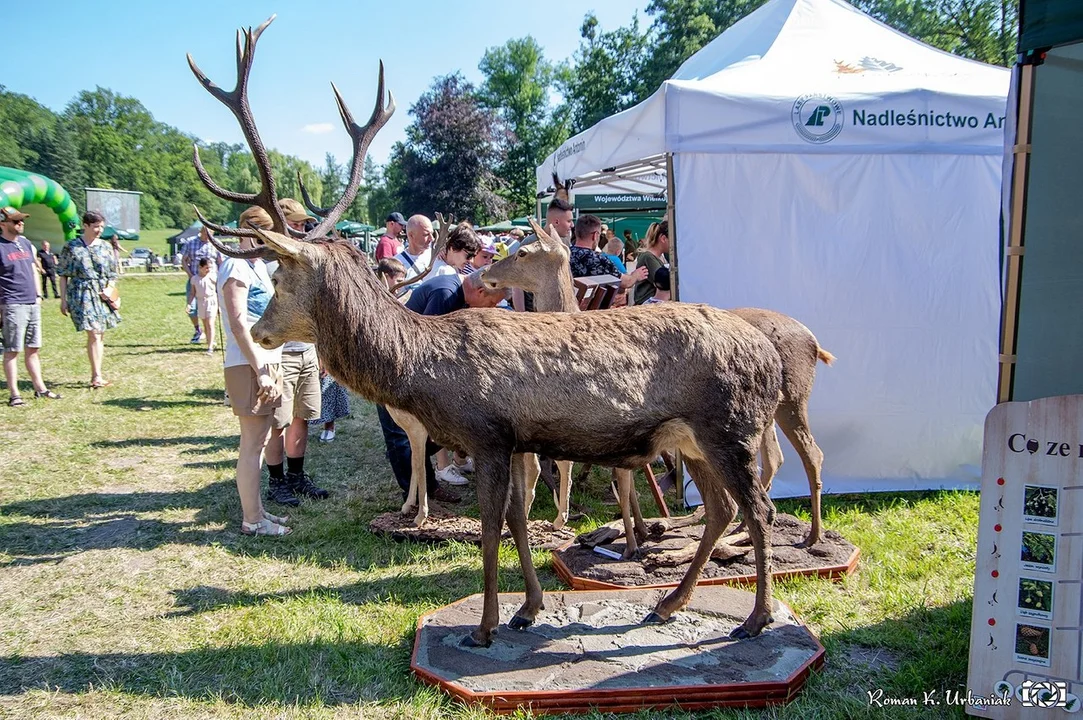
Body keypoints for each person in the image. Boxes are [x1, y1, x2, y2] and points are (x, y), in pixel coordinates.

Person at [376, 271, 506, 501]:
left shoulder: (458, 295)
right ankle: (416, 494)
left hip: (410, 369)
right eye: (492, 303)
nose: (492, 309)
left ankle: (424, 484)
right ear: (480, 291)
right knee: (400, 435)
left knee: (430, 434)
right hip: (391, 369)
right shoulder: (445, 294)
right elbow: (427, 348)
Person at [219, 205, 289, 536]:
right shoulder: (235, 265)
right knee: (252, 442)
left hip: (264, 363)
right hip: (249, 365)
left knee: (260, 440)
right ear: (248, 231)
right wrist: (260, 369)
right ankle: (252, 520)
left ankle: (258, 511)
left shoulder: (258, 265)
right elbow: (238, 322)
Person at [260, 198, 329, 507]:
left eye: (303, 224)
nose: (303, 229)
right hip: (280, 355)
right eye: (297, 224)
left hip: (306, 352)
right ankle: (276, 480)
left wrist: (321, 351)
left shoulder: (303, 266)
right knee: (278, 421)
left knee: (303, 416)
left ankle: (296, 476)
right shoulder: (265, 268)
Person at [0, 207, 61, 406]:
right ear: (3, 224)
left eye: (21, 220)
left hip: (31, 302)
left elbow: (34, 269)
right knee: (12, 350)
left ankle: (40, 389)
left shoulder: (26, 244)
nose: (21, 224)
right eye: (16, 221)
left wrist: (38, 295)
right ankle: (15, 394)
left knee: (33, 348)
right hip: (11, 303)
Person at [59, 210, 121, 389]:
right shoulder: (71, 247)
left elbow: (112, 274)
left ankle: (97, 373)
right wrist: (63, 300)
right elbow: (63, 274)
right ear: (85, 226)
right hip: (81, 294)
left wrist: (110, 289)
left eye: (101, 226)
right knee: (94, 332)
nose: (99, 230)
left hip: (102, 294)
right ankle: (96, 376)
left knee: (99, 333)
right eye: (95, 227)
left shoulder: (106, 247)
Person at [569, 214, 647, 306]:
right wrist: (636, 275)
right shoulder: (599, 260)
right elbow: (626, 282)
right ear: (595, 235)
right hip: (591, 314)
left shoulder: (565, 255)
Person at [183, 226, 222, 344]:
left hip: (211, 281)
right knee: (193, 309)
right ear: (201, 232)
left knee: (211, 309)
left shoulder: (216, 244)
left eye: (210, 233)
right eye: (206, 233)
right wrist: (190, 275)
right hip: (195, 279)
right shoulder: (191, 243)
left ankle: (210, 334)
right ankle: (197, 330)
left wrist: (219, 277)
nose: (207, 236)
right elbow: (184, 260)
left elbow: (220, 262)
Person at [633, 219, 670, 305]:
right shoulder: (648, 257)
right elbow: (665, 283)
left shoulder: (658, 257)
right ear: (663, 238)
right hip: (647, 308)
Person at [392, 214, 434, 290]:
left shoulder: (437, 257)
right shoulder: (396, 263)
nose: (432, 238)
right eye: (426, 234)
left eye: (432, 233)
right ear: (411, 235)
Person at [195, 258, 218, 354]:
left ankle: (210, 348)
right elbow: (193, 292)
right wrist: (188, 304)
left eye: (210, 268)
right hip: (201, 302)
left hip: (211, 301)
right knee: (205, 324)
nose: (208, 270)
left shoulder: (213, 277)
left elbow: (219, 290)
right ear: (200, 267)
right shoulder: (195, 279)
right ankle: (210, 341)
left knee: (210, 323)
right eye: (206, 268)